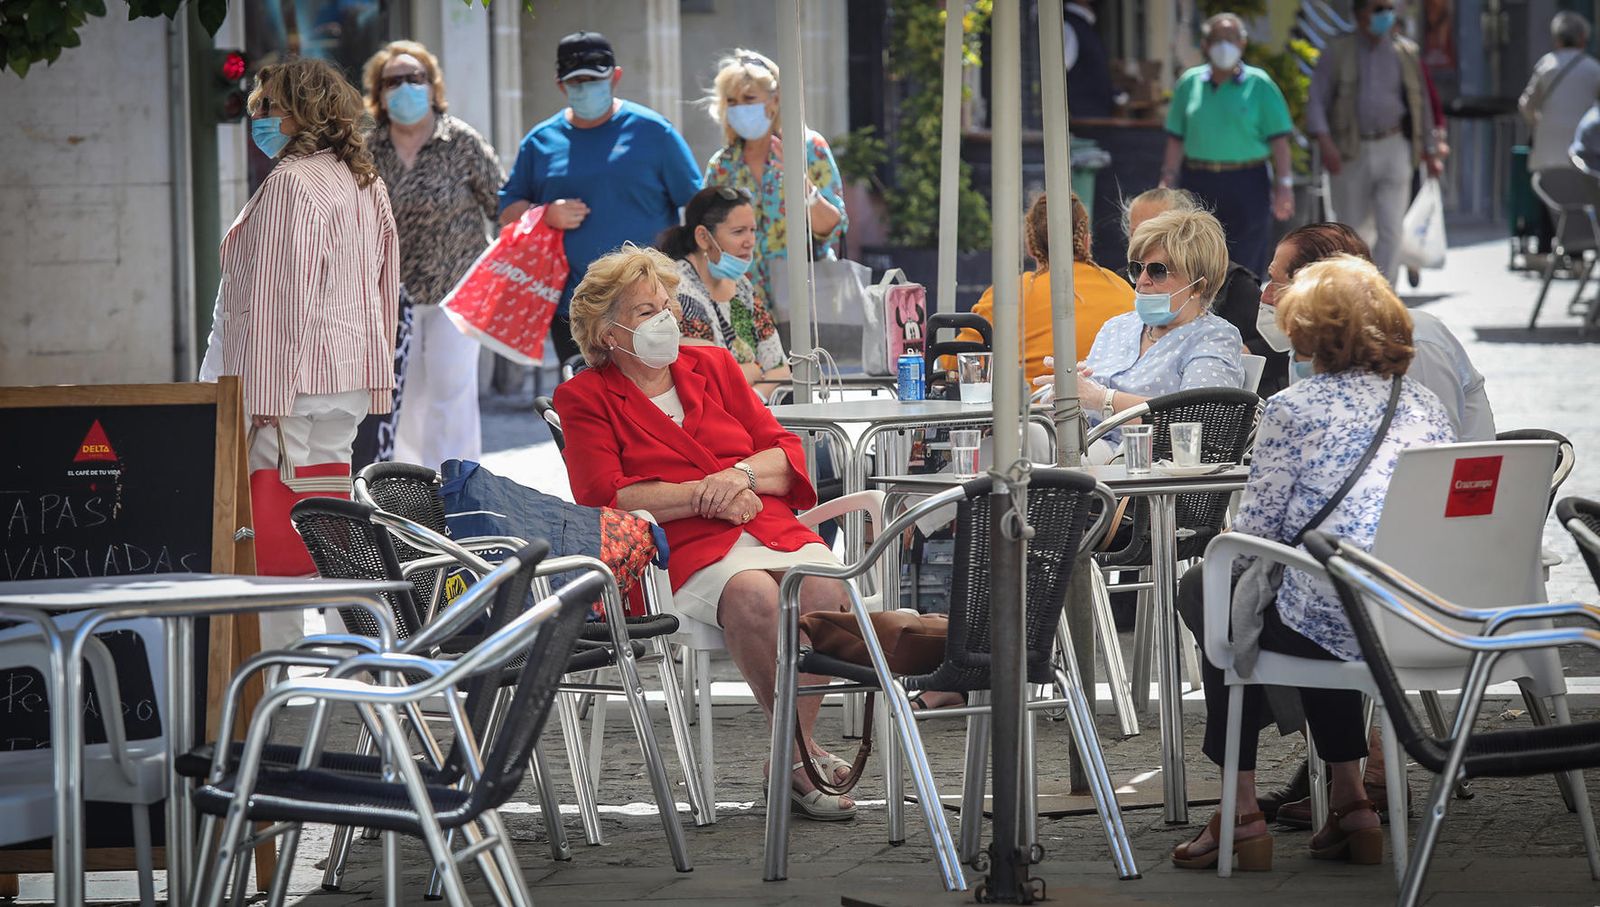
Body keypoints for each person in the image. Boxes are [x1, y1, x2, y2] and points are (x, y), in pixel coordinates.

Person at [1170, 254, 1456, 872]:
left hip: (1333, 619)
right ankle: (1351, 802)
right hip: (1419, 615)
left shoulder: (1292, 409)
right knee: (1301, 592)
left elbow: (1252, 536)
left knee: (1220, 595)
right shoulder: (1428, 408)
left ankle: (1241, 812)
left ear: (1308, 332)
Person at [553, 246, 859, 821]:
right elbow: (603, 497)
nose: (665, 317)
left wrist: (735, 476)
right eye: (645, 310)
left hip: (760, 516)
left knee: (823, 593)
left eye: (666, 303)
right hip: (676, 544)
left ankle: (790, 753)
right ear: (605, 330)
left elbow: (785, 453)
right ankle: (801, 760)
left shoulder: (713, 366)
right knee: (754, 595)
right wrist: (702, 494)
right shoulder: (585, 397)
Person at [206, 57, 398, 645]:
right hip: (342, 379)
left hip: (288, 382)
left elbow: (277, 301)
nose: (255, 116)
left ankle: (275, 666)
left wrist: (256, 398)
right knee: (326, 516)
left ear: (298, 116)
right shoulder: (363, 181)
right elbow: (386, 285)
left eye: (264, 107)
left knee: (269, 520)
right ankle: (358, 649)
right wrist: (376, 380)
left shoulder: (294, 184)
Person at [499, 31, 703, 365]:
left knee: (654, 395)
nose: (584, 88)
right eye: (575, 82)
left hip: (651, 303)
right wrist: (545, 213)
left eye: (593, 80)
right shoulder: (540, 141)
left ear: (616, 77)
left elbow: (696, 207)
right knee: (585, 401)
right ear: (560, 85)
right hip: (576, 307)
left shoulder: (654, 132)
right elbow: (508, 209)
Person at [363, 40, 503, 470]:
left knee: (451, 392)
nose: (405, 88)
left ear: (431, 85)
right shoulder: (368, 150)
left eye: (414, 78)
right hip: (391, 296)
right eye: (393, 81)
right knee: (404, 397)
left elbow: (502, 205)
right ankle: (410, 494)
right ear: (380, 93)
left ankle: (459, 490)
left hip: (456, 292)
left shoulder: (460, 141)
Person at [1258, 222, 1496, 442]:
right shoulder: (1309, 350)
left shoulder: (1414, 340)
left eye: (1275, 281)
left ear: (1316, 288)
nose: (1265, 296)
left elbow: (1434, 452)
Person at [1044, 208, 1246, 459]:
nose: (1141, 281)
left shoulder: (1214, 338)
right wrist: (1065, 391)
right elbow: (1085, 400)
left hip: (1142, 467)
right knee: (1015, 440)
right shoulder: (1117, 327)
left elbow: (1199, 423)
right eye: (1137, 268)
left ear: (1198, 286)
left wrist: (1102, 398)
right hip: (1089, 448)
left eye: (1158, 271)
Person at [702, 49, 848, 324]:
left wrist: (802, 184)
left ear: (775, 101)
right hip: (742, 306)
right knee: (753, 369)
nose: (739, 108)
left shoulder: (808, 149)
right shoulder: (722, 166)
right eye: (731, 101)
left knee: (805, 366)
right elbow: (706, 240)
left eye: (748, 99)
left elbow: (833, 226)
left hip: (807, 303)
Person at [1306, 0, 1444, 285]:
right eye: (1377, 8)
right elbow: (1317, 101)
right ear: (1359, 15)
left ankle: (1384, 295)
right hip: (1350, 151)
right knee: (1352, 231)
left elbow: (1423, 106)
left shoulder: (1406, 52)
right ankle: (1353, 292)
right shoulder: (1337, 51)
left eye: (1388, 8)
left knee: (1391, 229)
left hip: (1395, 146)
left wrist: (1431, 151)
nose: (1385, 15)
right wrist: (1325, 142)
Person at [1160, 13, 1295, 276]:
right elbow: (1175, 138)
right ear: (1206, 45)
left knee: (1246, 258)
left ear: (1242, 44)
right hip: (1198, 179)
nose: (1225, 45)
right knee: (1198, 255)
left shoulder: (1260, 84)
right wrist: (1166, 179)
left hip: (1248, 180)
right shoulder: (1189, 83)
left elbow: (1279, 141)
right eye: (1218, 39)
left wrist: (1285, 187)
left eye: (1231, 39)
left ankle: (1242, 314)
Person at [1123, 186, 1288, 395]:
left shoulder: (1235, 287)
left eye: (1158, 271)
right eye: (1135, 233)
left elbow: (1278, 343)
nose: (1142, 281)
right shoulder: (1124, 291)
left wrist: (1234, 354)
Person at [958, 191, 1133, 384]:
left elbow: (955, 360)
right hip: (1112, 411)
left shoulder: (1011, 293)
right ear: (1086, 240)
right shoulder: (1122, 288)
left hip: (1031, 410)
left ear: (1030, 247)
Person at [658, 186, 791, 396]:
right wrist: (755, 371)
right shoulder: (675, 290)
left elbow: (781, 370)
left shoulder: (742, 287)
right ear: (703, 237)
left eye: (753, 230)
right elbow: (711, 381)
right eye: (739, 232)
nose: (750, 242)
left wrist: (754, 394)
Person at [1521, 13, 1600, 174]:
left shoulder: (1546, 65)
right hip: (1581, 155)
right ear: (1583, 38)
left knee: (1546, 196)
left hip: (1547, 152)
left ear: (1557, 39)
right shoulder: (1594, 69)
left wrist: (1539, 123)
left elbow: (1526, 105)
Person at [1063, 1, 1117, 119]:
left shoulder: (1083, 25)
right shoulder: (1067, 26)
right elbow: (1056, 77)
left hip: (1096, 120)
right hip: (1079, 125)